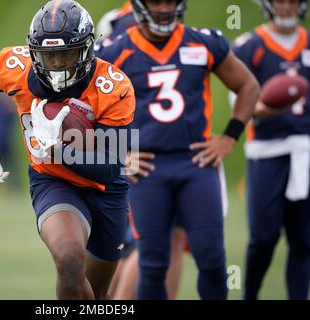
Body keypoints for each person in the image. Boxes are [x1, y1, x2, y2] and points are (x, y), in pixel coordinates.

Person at [0, 0, 135, 299]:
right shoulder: (15, 67)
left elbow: (110, 168)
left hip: (105, 190)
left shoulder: (113, 86)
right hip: (53, 181)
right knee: (70, 262)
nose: (57, 64)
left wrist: (59, 149)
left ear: (85, 48)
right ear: (33, 52)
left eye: (66, 53)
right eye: (49, 55)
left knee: (96, 295)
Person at [96, 0, 260, 299]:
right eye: (157, 2)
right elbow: (86, 109)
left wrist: (228, 137)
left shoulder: (203, 42)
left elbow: (249, 85)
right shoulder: (113, 52)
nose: (164, 8)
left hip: (195, 164)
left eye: (170, 1)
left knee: (211, 257)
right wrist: (117, 154)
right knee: (153, 262)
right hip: (148, 170)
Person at [96, 1, 188, 300]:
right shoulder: (122, 25)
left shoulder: (116, 20)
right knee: (158, 241)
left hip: (134, 149)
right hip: (142, 153)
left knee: (134, 247)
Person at [232, 0, 310, 300]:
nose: (287, 7)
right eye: (280, 0)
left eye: (293, 1)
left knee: (303, 240)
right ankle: (249, 294)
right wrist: (258, 108)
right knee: (263, 238)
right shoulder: (250, 45)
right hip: (266, 151)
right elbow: (237, 98)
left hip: (305, 151)